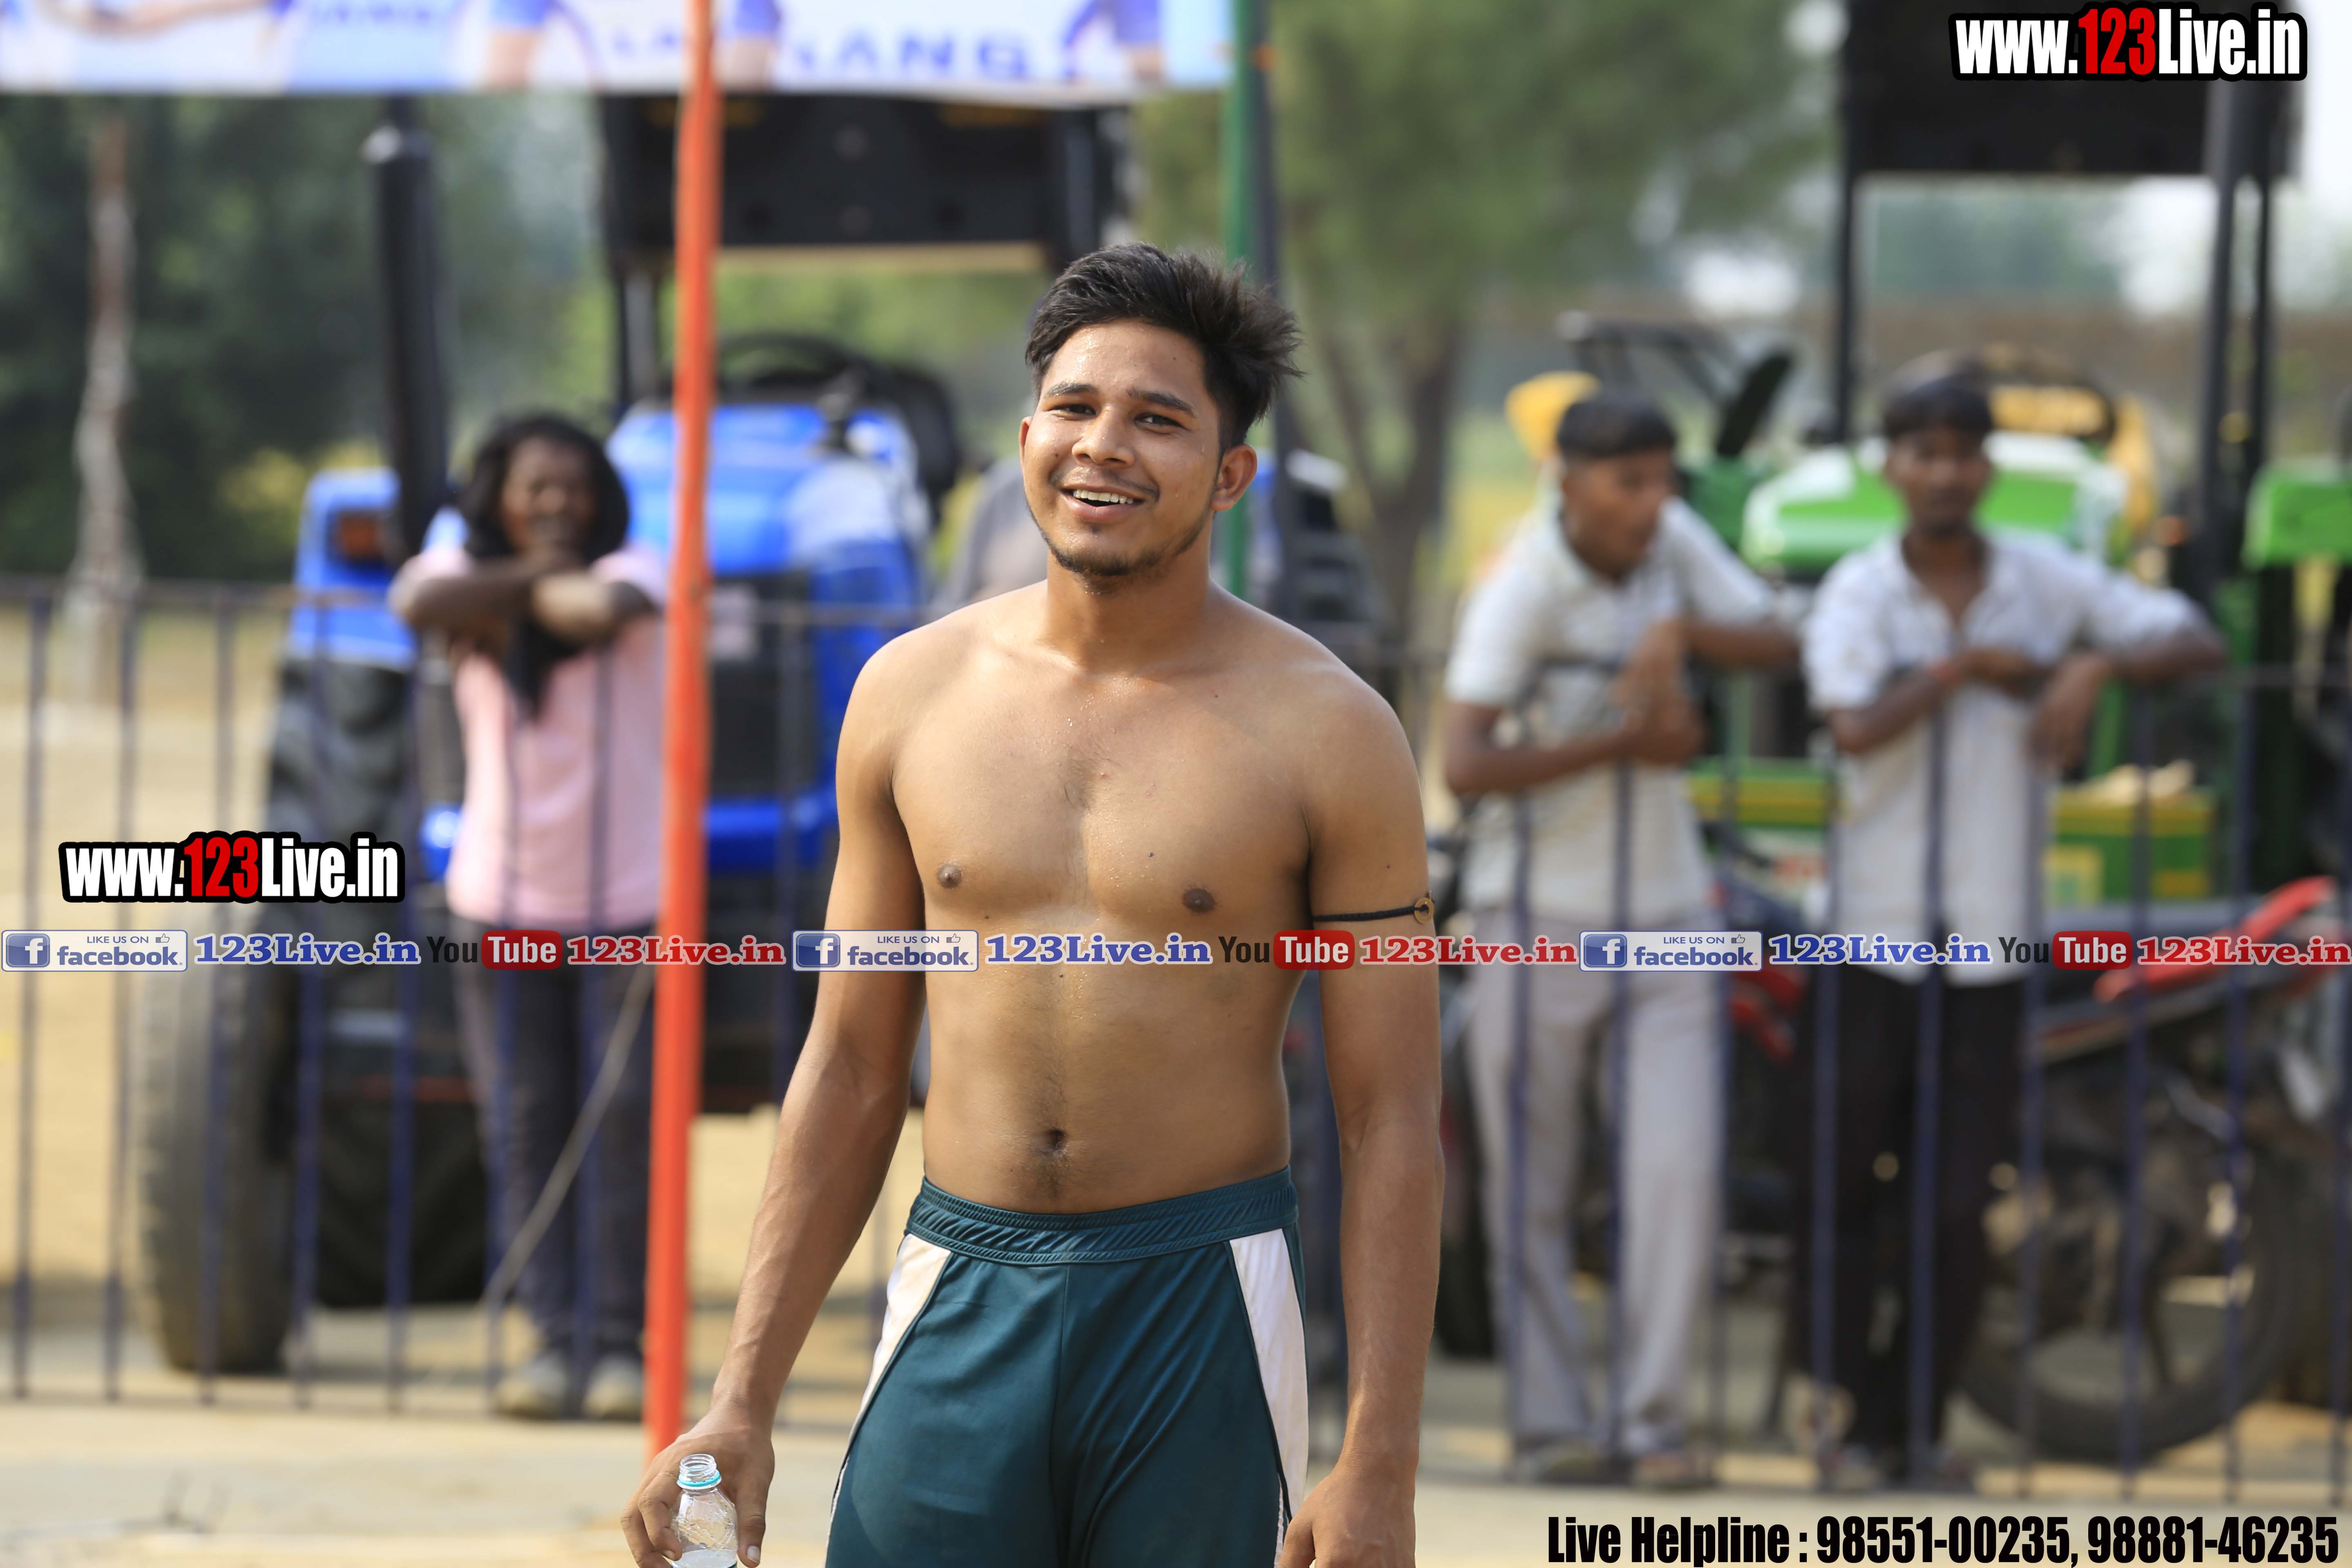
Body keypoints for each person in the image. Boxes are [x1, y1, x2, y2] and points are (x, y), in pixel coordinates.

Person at [622, 244, 1439, 1568]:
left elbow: (1392, 1115)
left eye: (1159, 418)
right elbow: (851, 1063)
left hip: (1201, 1298)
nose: (1104, 445)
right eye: (1075, 407)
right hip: (960, 1280)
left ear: (1231, 474)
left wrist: (1381, 1466)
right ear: (1025, 440)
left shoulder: (1331, 731)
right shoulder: (910, 694)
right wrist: (740, 1401)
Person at [1792, 376, 2224, 1488]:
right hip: (1868, 935)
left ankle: (1915, 1428)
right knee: (1843, 1189)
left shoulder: (2042, 579)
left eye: (1964, 452)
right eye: (1924, 452)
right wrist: (1966, 669)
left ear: (1987, 467)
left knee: (1953, 1205)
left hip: (1989, 942)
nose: (1945, 473)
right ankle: (1838, 1419)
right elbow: (1854, 724)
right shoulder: (1858, 592)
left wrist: (2093, 663)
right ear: (1892, 466)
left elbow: (2195, 639)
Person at [1439, 391, 1799, 1489]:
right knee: (1532, 1189)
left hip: (1670, 915)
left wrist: (1683, 631)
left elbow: (1782, 637)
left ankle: (1652, 1425)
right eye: (1627, 483)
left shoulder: (1670, 543)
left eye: (1662, 481)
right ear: (1568, 483)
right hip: (1534, 919)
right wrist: (1623, 746)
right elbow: (1464, 761)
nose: (1652, 504)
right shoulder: (1522, 587)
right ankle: (1550, 1425)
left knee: (1677, 1179)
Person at [389, 412, 666, 1421]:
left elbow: (595, 611)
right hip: (498, 902)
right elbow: (414, 599)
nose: (557, 505)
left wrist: (505, 585)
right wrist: (524, 580)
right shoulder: (460, 573)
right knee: (523, 1124)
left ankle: (619, 1347)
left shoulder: (637, 564)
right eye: (534, 489)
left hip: (629, 903)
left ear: (602, 498)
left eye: (573, 487)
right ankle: (553, 1344)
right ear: (498, 498)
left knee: (621, 1122)